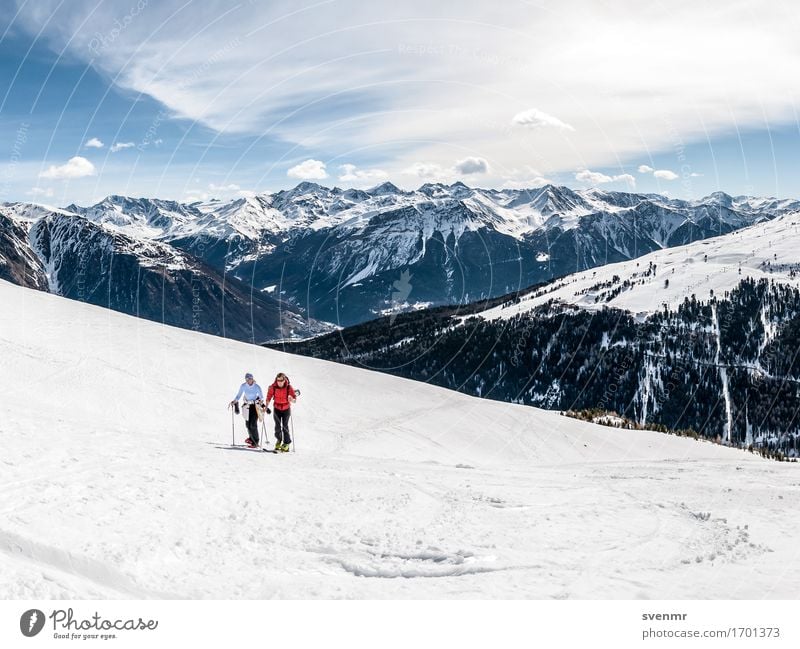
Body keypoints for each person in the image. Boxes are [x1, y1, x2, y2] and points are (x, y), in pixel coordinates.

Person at [230, 372, 265, 448]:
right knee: (247, 425)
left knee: (253, 424)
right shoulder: (243, 386)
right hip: (246, 406)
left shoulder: (257, 387)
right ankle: (251, 438)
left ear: (253, 379)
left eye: (250, 379)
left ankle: (256, 441)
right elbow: (239, 395)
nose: (249, 380)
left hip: (255, 406)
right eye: (247, 379)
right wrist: (234, 401)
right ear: (246, 379)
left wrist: (261, 402)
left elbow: (261, 397)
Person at [265, 372, 297, 452]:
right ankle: (279, 441)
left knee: (285, 426)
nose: (279, 382)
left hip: (286, 408)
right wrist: (267, 404)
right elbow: (269, 396)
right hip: (277, 408)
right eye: (278, 380)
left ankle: (286, 443)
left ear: (284, 380)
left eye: (281, 380)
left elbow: (294, 399)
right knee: (277, 427)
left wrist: (292, 400)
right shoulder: (273, 387)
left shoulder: (289, 387)